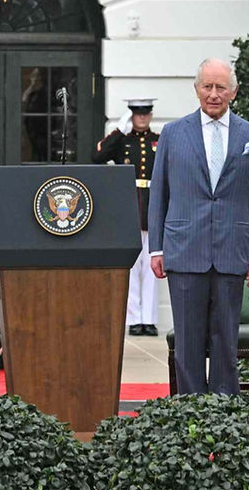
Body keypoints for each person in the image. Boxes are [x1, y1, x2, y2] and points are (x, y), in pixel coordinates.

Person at [148, 58, 249, 396]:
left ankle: (223, 409)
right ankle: (191, 408)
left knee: (225, 338)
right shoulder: (173, 133)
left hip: (233, 249)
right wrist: (156, 248)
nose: (213, 94)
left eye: (220, 88)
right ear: (197, 88)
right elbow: (160, 193)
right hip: (184, 248)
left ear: (234, 91)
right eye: (207, 87)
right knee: (187, 339)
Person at [93, 98, 160, 336]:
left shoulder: (158, 141)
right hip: (129, 206)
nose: (141, 118)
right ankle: (133, 319)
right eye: (137, 115)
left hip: (153, 205)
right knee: (132, 266)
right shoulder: (123, 141)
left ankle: (149, 319)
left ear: (150, 115)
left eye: (145, 114)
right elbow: (98, 157)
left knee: (152, 264)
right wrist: (119, 132)